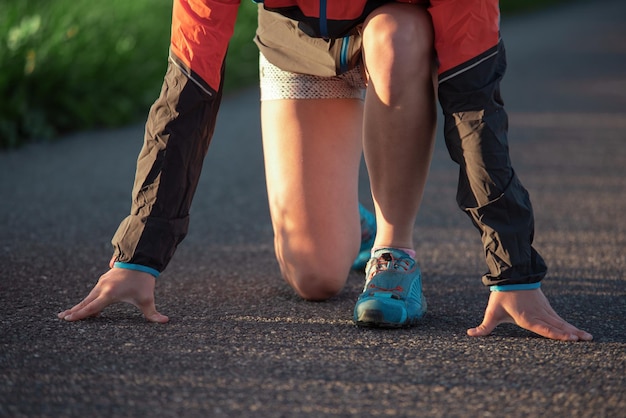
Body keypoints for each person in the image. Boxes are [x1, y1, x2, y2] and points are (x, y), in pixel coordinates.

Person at [58, 0, 592, 342]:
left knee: (396, 35)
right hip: (301, 46)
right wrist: (138, 259)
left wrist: (514, 271)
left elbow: (475, 108)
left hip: (395, 35)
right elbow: (186, 94)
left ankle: (391, 248)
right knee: (313, 276)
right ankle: (350, 221)